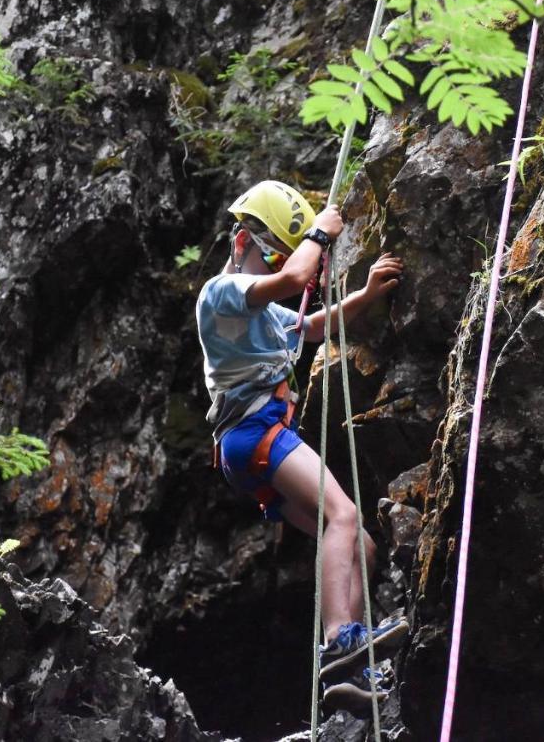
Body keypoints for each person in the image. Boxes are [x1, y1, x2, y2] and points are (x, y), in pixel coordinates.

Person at [195, 180, 409, 710]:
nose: (277, 268)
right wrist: (319, 232)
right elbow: (295, 278)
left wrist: (364, 295)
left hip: (251, 449)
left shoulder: (265, 314)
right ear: (241, 241)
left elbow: (312, 327)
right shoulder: (220, 293)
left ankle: (351, 674)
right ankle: (339, 638)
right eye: (269, 254)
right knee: (343, 514)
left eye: (281, 258)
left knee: (360, 541)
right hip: (254, 436)